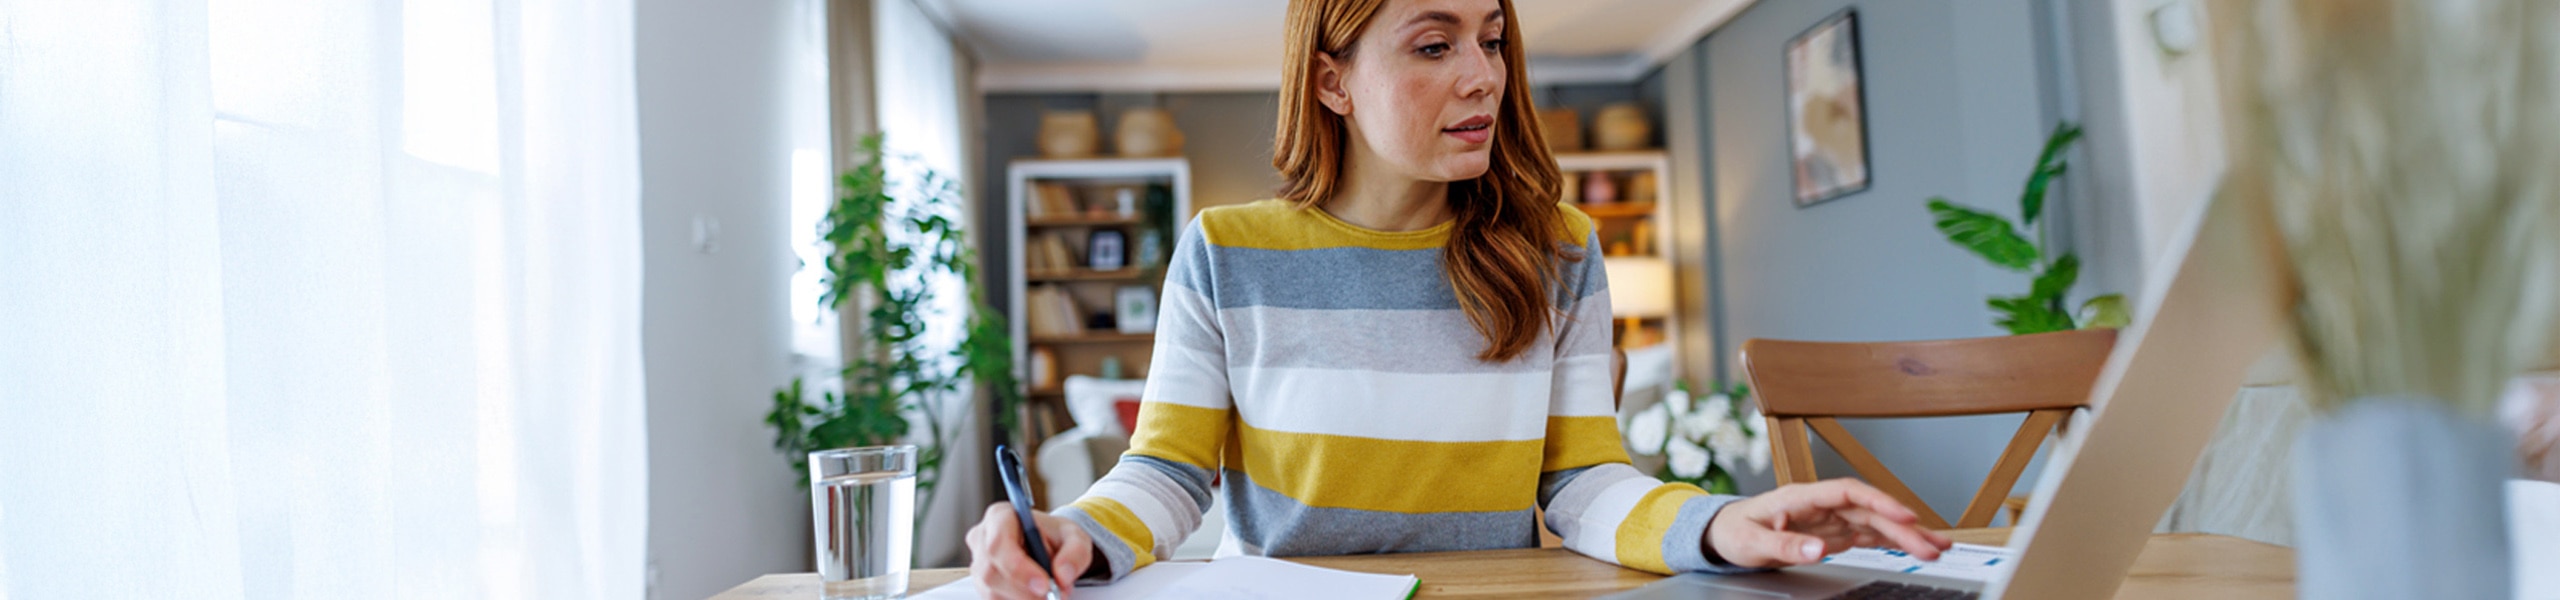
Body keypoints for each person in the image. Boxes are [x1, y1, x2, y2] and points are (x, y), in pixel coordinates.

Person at [966, 0, 1951, 597]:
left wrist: (1722, 524)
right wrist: (1074, 534)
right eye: (1433, 46)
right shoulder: (1228, 249)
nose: (1483, 76)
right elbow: (1168, 475)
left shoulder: (1559, 246)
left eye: (1490, 38)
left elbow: (1583, 483)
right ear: (1332, 80)